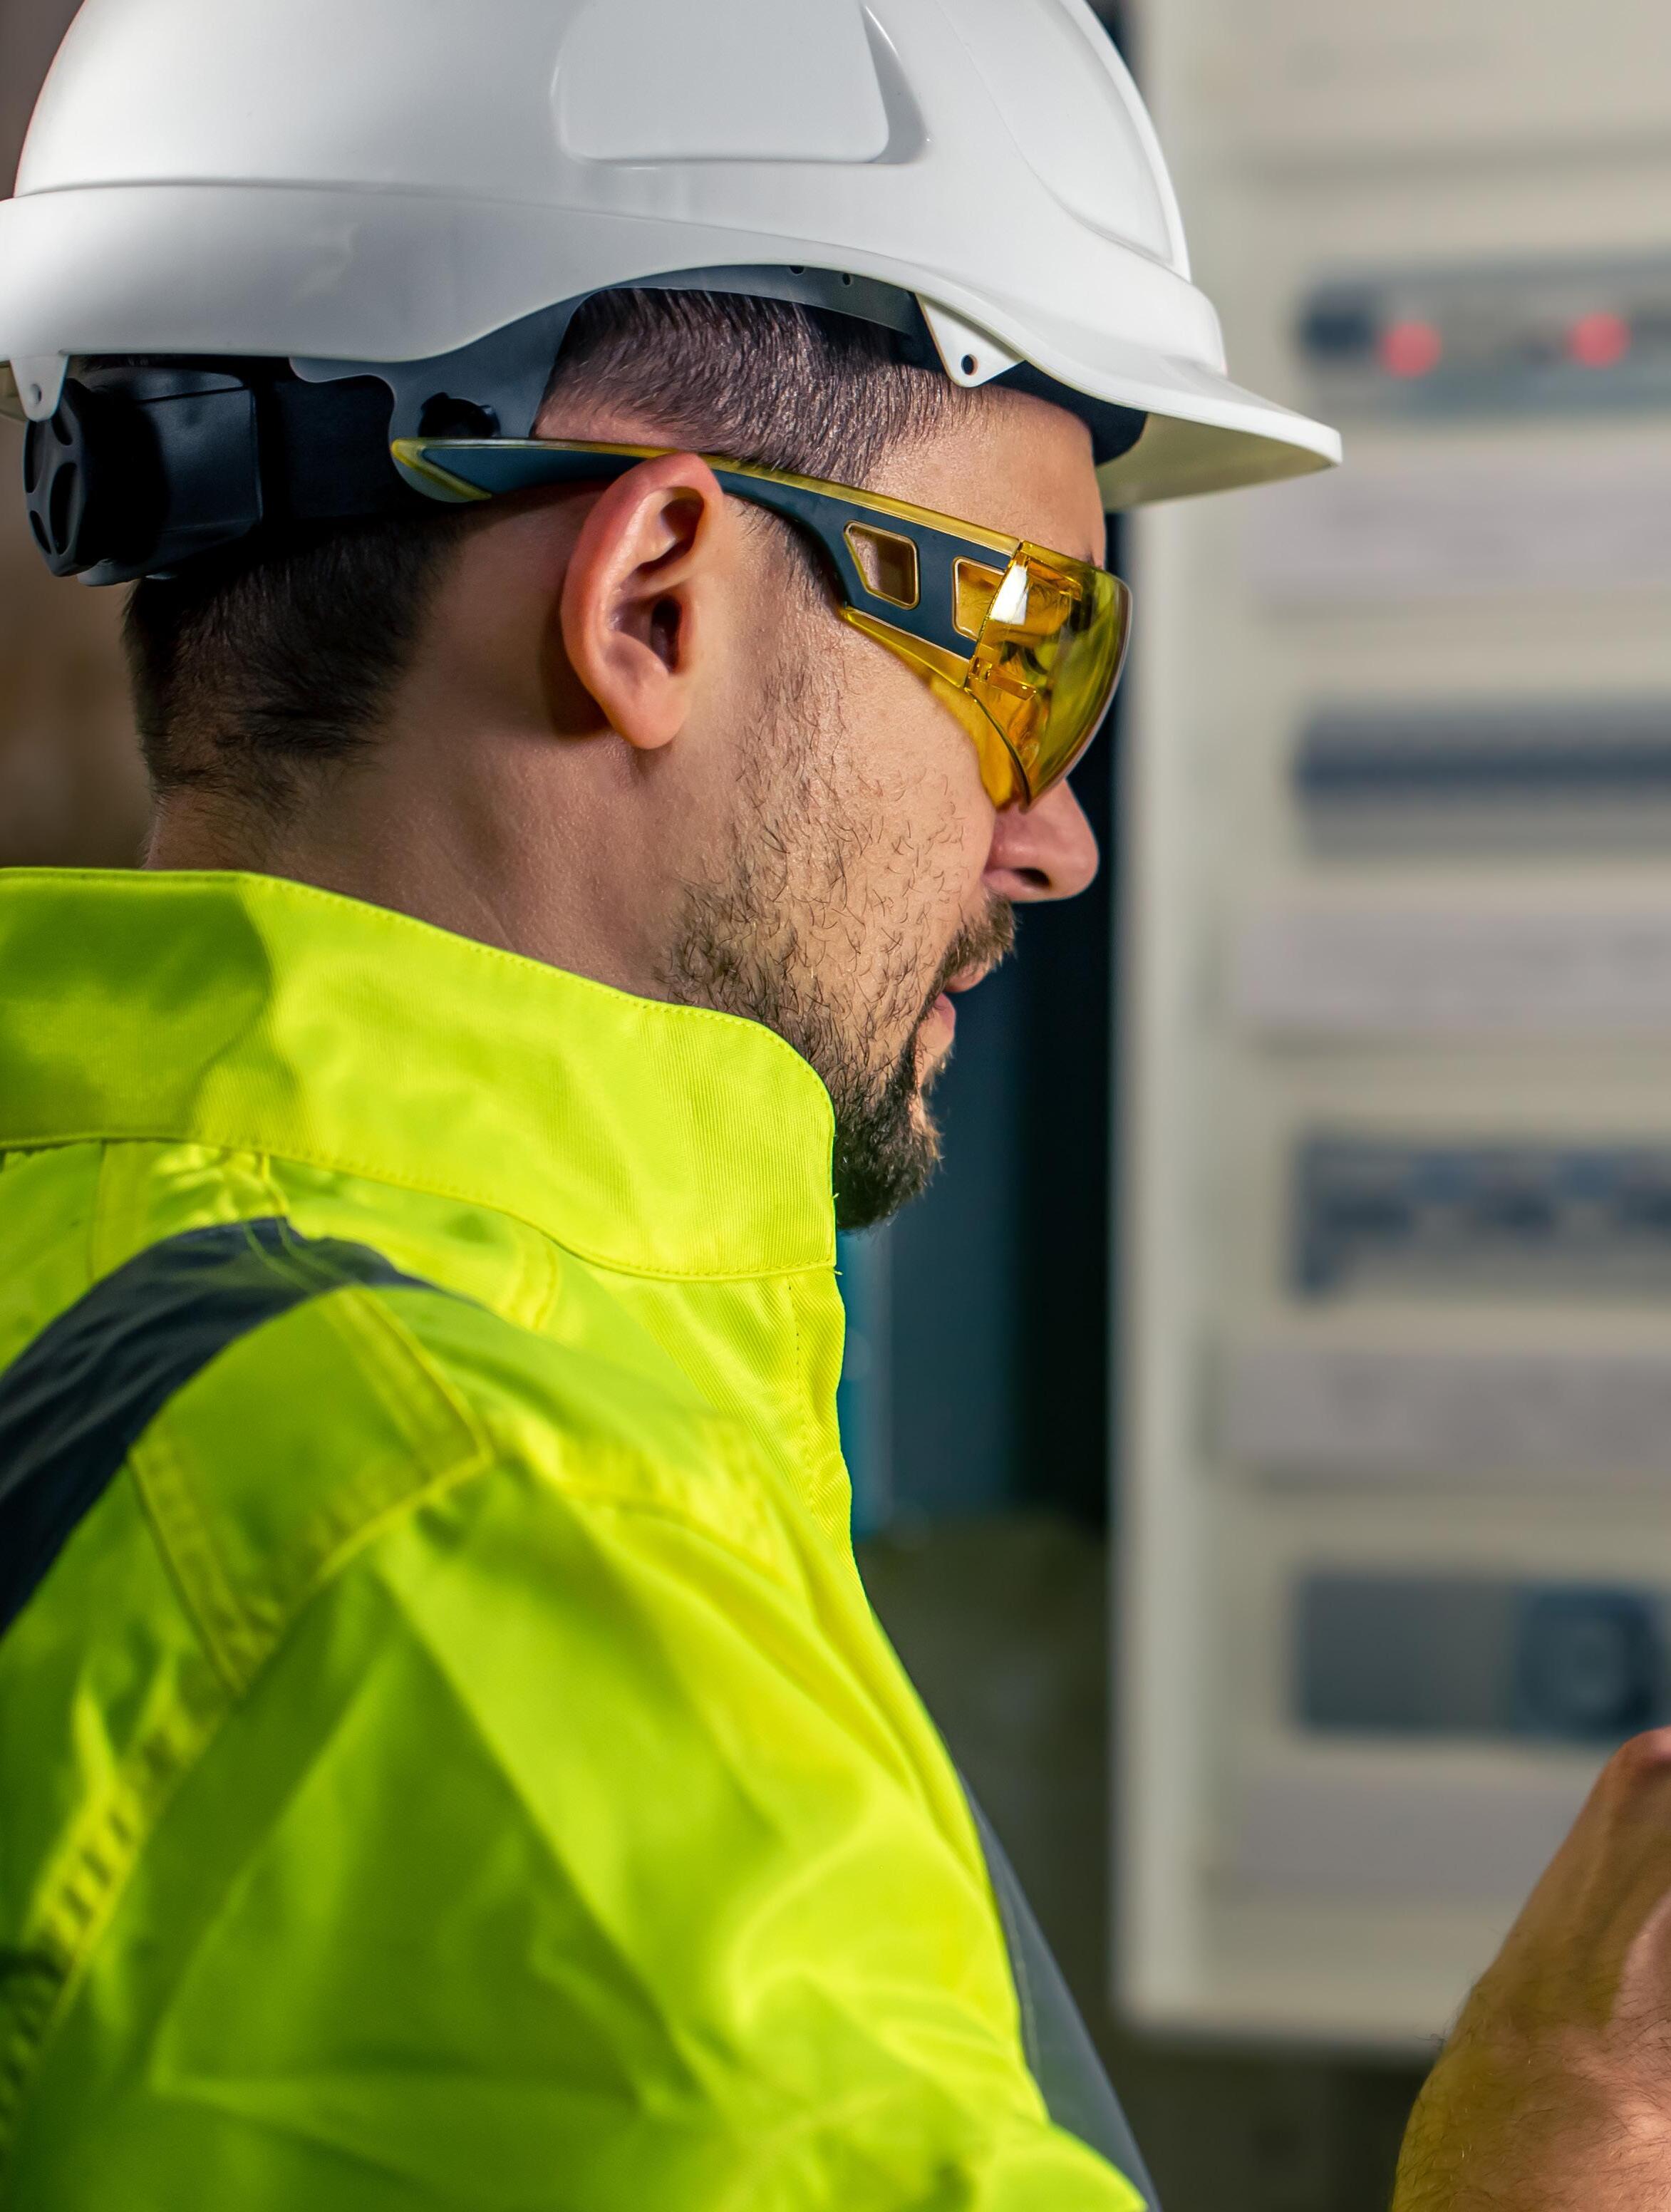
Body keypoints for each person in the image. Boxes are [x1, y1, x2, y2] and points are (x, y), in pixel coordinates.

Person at [0, 3, 1661, 2207]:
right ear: (652, 601)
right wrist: (1555, 2149)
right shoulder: (482, 1581)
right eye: (1027, 652)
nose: (1051, 835)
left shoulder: (102, 1270)